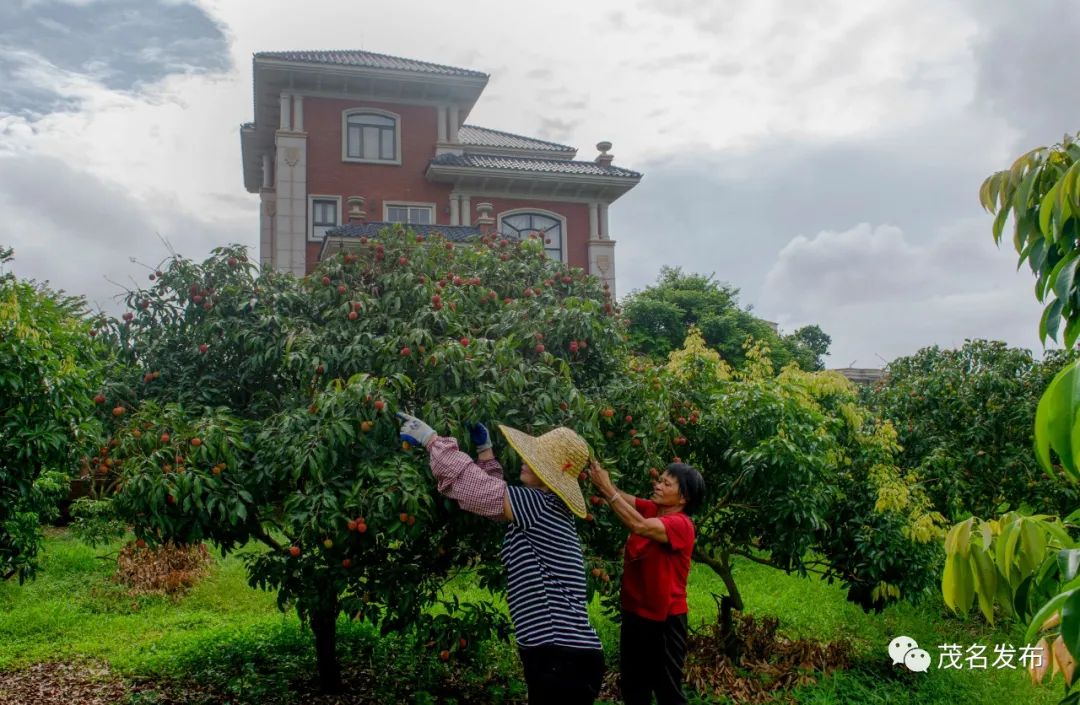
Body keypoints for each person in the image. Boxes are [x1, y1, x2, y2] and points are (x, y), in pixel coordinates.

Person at [397, 412, 605, 705]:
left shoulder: (538, 506)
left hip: (560, 655)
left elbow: (477, 490)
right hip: (561, 655)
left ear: (549, 473)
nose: (523, 458)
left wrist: (432, 440)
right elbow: (492, 499)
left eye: (534, 459)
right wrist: (485, 451)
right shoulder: (541, 507)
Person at [588, 459, 705, 705]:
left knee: (668, 691)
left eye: (667, 483)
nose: (658, 485)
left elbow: (638, 525)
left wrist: (607, 491)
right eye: (660, 479)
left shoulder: (681, 525)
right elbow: (620, 496)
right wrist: (598, 476)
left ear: (683, 498)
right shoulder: (653, 508)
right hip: (635, 614)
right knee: (633, 686)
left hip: (665, 620)